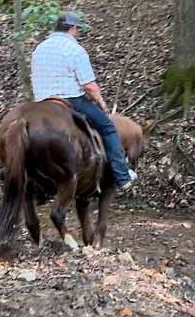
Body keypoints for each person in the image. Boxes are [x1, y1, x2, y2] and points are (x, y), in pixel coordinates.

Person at [30, 11, 138, 192]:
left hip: (42, 103)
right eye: (77, 29)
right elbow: (89, 86)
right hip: (70, 100)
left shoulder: (40, 48)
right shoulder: (75, 49)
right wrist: (102, 104)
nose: (77, 33)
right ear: (72, 29)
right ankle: (122, 176)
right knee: (108, 128)